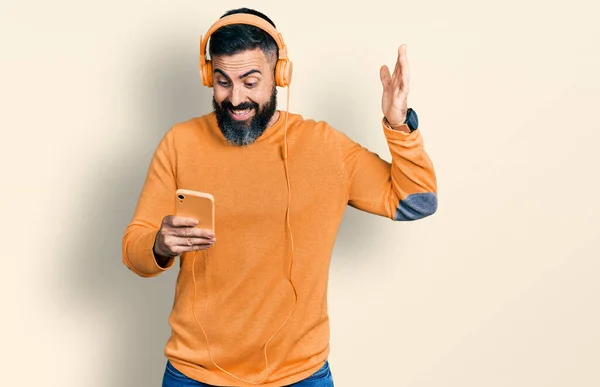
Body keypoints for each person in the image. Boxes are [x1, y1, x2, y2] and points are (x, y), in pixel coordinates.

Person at [121, 7, 438, 387]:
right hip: (195, 375)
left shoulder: (324, 147)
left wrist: (398, 124)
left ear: (280, 75)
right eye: (222, 81)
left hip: (299, 376)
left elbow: (417, 201)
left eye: (250, 82)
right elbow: (134, 248)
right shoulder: (180, 142)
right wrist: (159, 244)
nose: (235, 98)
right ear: (208, 77)